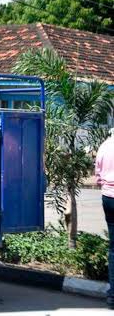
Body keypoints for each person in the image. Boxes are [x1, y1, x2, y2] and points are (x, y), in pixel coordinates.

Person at [95, 128, 114, 310]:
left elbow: (98, 176)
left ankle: (112, 296)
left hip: (108, 198)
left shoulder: (104, 146)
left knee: (113, 248)